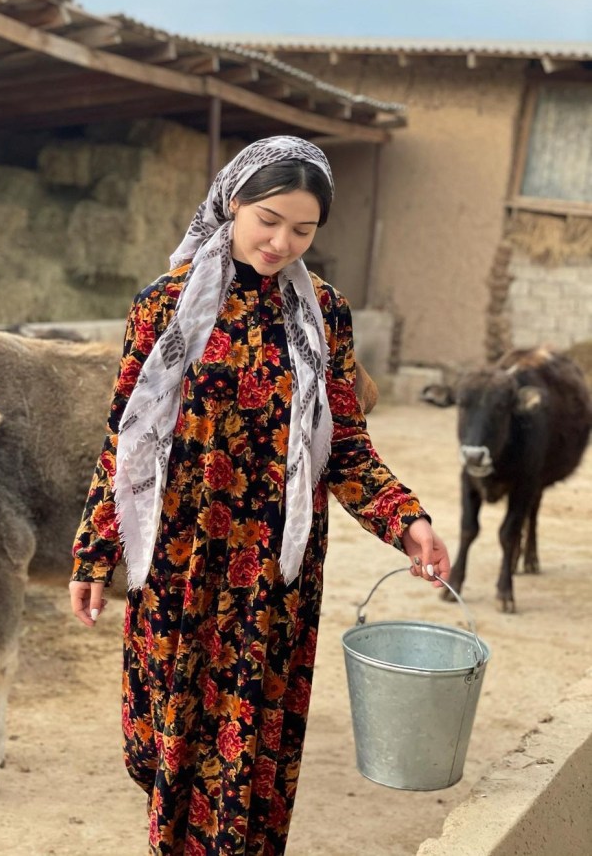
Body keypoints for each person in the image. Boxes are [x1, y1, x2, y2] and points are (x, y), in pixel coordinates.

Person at [69, 135, 450, 855]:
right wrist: (94, 553)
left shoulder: (322, 315)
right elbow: (128, 441)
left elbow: (345, 446)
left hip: (274, 585)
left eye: (303, 230)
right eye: (269, 219)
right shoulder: (165, 306)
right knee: (172, 755)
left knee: (251, 770)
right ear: (232, 201)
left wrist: (409, 520)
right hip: (181, 570)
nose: (281, 242)